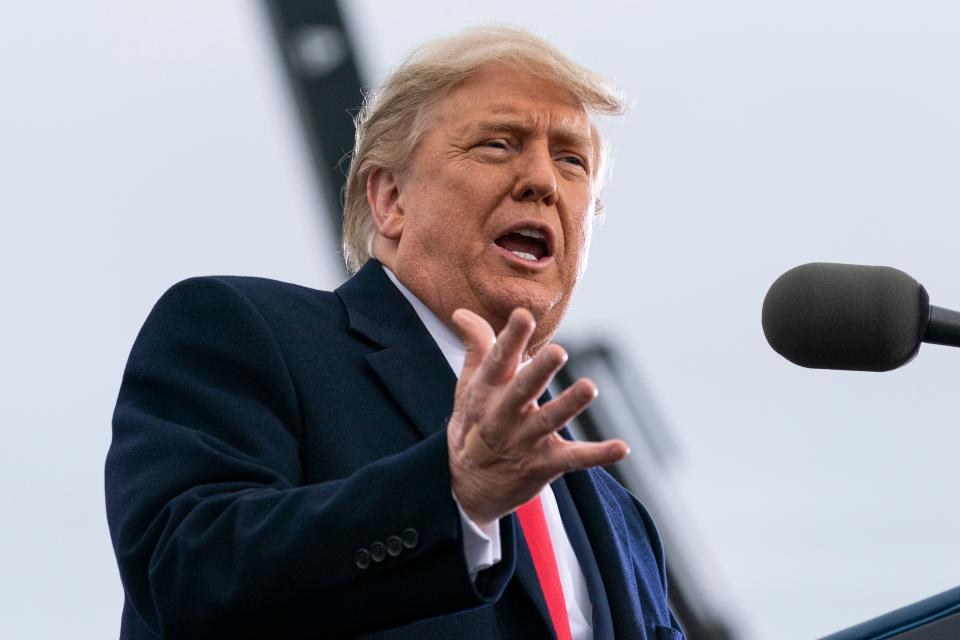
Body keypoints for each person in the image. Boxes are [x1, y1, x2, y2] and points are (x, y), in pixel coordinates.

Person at [105, 26, 685, 640]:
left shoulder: (621, 517)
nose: (542, 181)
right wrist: (452, 495)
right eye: (497, 144)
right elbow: (188, 571)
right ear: (390, 200)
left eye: (572, 161)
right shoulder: (241, 332)